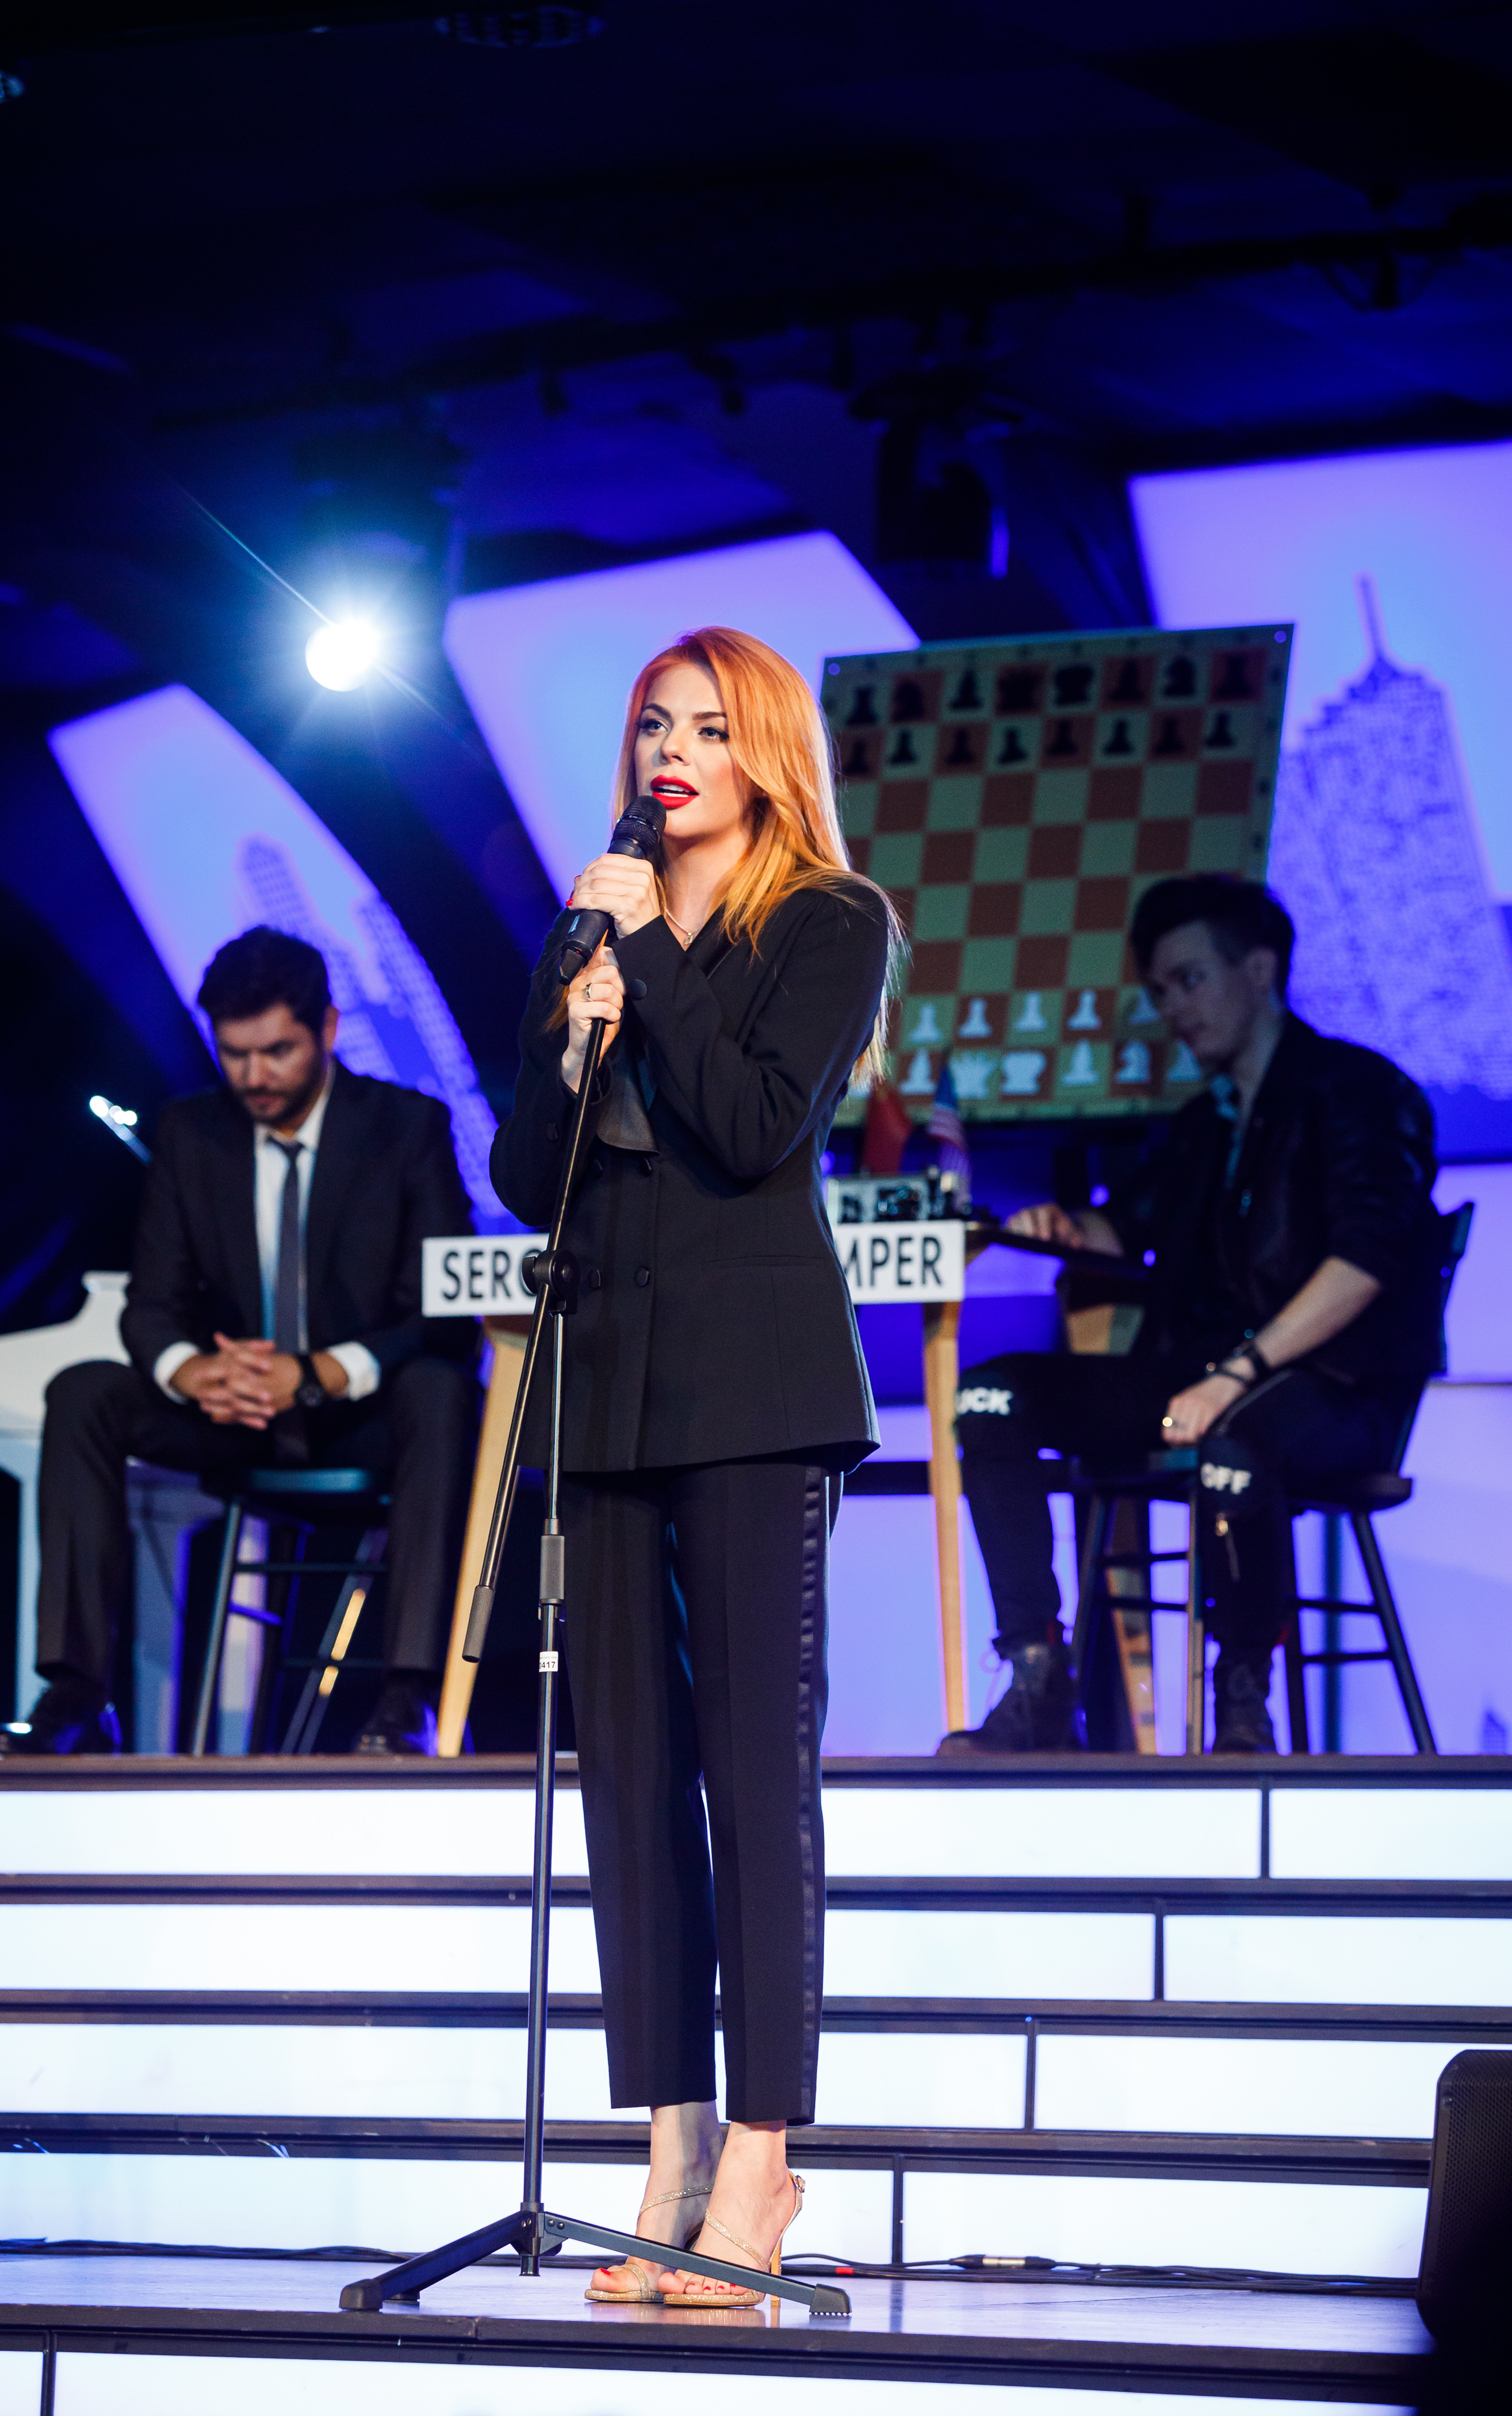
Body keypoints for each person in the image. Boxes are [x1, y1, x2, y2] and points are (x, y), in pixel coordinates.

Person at [489, 627, 895, 2307]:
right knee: (631, 1787)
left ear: (765, 751)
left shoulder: (829, 922)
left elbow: (750, 1127)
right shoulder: (595, 919)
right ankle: (666, 2144)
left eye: (709, 728)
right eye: (655, 723)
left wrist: (650, 957)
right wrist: (575, 1034)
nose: (671, 752)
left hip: (755, 1388)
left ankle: (762, 2161)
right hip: (608, 1388)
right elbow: (525, 1170)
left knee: (753, 1778)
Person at [945, 874, 1444, 1756]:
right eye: (1161, 991)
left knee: (1234, 1445)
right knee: (990, 1395)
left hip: (1334, 1386)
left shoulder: (1359, 1090)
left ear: (1260, 970)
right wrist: (1067, 1229)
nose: (1173, 1008)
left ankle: (1242, 1698)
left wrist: (1238, 1374)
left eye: (1189, 980)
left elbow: (1367, 1262)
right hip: (1201, 1374)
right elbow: (1128, 1228)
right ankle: (1037, 1673)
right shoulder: (1201, 1125)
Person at [0, 926, 477, 1759]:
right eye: (235, 1054)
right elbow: (151, 1306)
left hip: (359, 1416)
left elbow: (442, 1313)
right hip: (231, 1416)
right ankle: (75, 1692)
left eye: (277, 1051)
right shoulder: (191, 1134)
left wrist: (317, 1373)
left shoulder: (406, 1127)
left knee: (441, 1389)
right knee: (83, 1390)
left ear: (327, 1029)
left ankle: (410, 1697)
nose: (254, 1076)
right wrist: (195, 1372)